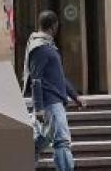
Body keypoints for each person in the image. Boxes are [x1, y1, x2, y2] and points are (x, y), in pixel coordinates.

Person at [24, 10, 80, 171]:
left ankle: (24, 157)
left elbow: (59, 77)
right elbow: (36, 80)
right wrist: (39, 107)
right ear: (54, 26)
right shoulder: (39, 48)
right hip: (50, 103)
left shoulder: (48, 46)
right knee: (62, 141)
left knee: (41, 139)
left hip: (54, 101)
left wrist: (75, 97)